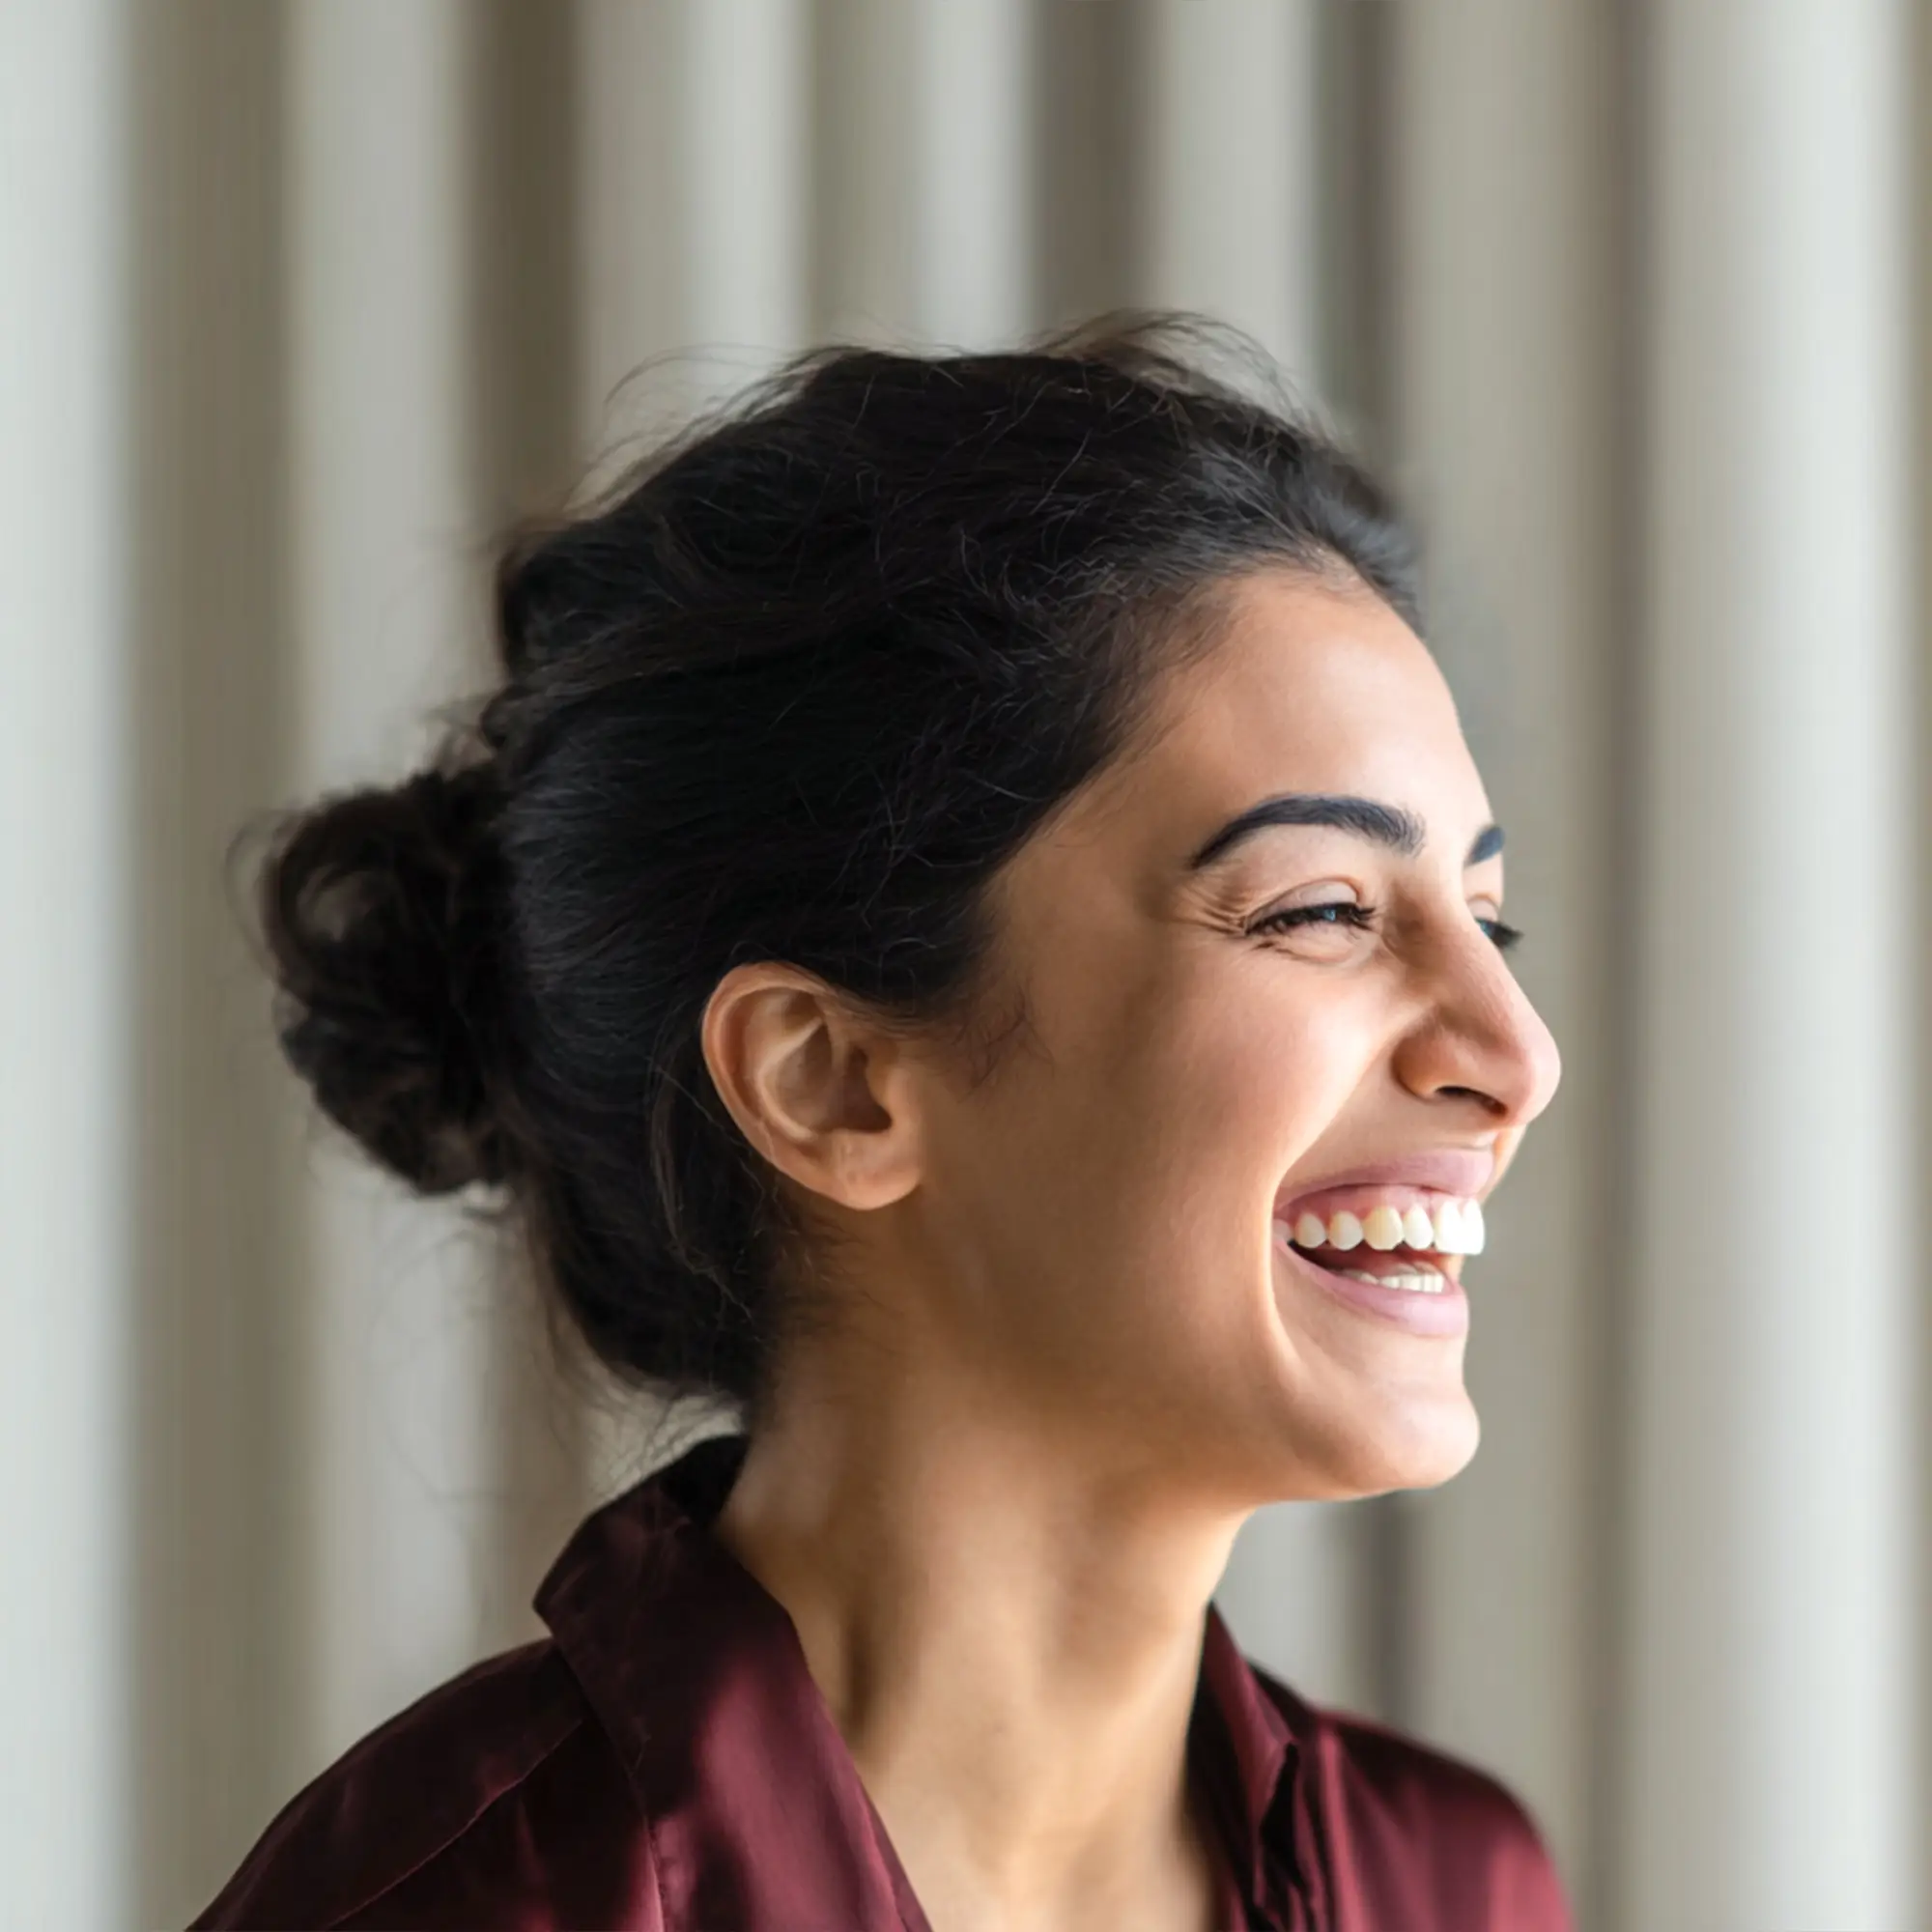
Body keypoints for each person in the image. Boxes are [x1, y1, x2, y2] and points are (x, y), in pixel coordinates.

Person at [197, 318, 1571, 1931]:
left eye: (1490, 919)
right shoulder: (459, 1905)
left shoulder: (1453, 1888)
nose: (1514, 1053)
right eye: (1322, 910)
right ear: (829, 1080)